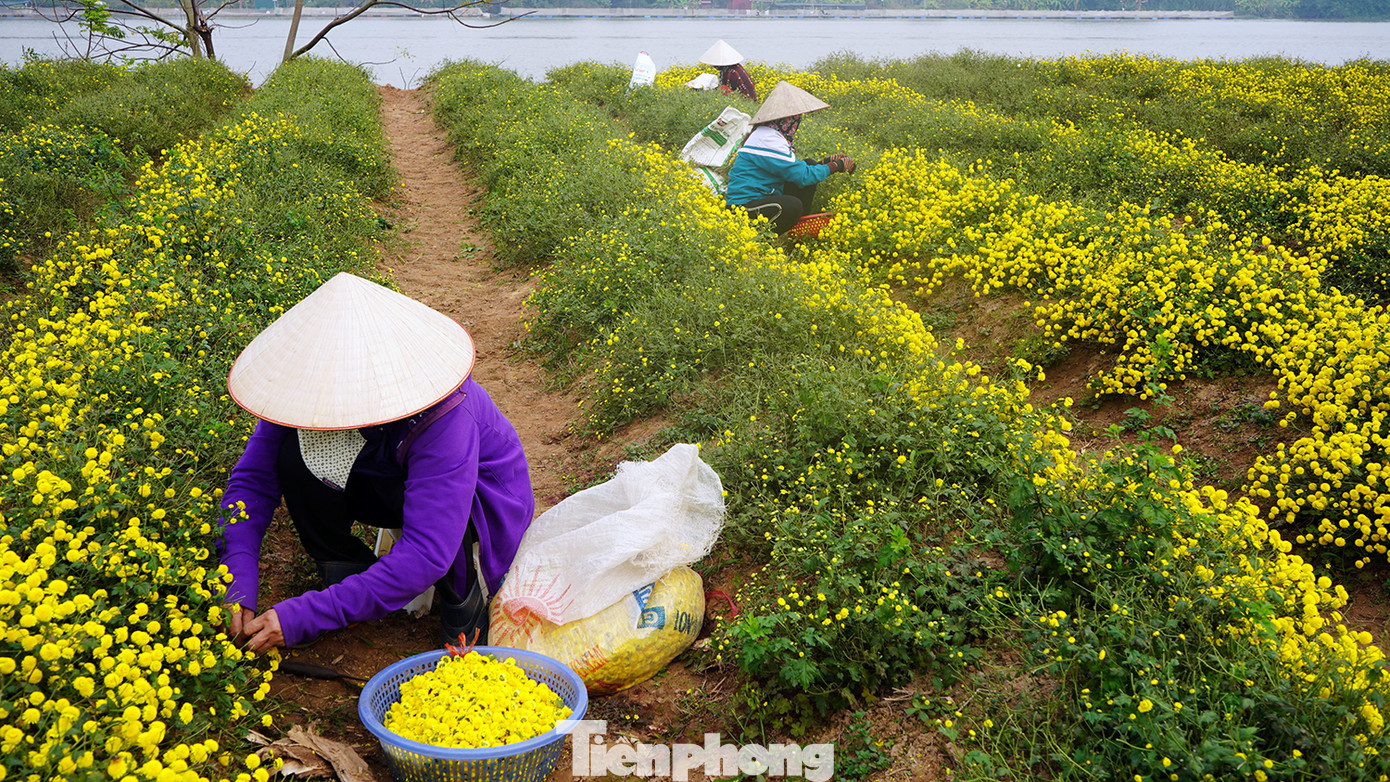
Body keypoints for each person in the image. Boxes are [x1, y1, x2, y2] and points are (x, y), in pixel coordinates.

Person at [217, 272, 534, 654]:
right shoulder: (304, 391)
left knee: (449, 526)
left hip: (475, 501)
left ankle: (463, 599)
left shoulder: (444, 412)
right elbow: (253, 482)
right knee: (291, 454)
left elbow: (427, 549)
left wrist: (308, 615)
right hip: (385, 477)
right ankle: (345, 567)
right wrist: (237, 582)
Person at [724, 80, 856, 235]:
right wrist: (837, 165)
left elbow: (795, 171)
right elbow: (803, 176)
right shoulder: (767, 139)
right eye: (794, 119)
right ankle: (764, 239)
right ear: (783, 120)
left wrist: (827, 163)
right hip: (743, 207)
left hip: (764, 198)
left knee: (809, 164)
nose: (795, 124)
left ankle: (795, 230)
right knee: (792, 205)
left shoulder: (767, 134)